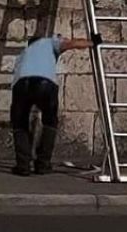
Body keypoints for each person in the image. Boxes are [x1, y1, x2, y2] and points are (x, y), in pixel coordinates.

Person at [10, 33, 97, 176]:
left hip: (21, 83)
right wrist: (92, 43)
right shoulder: (49, 42)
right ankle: (43, 164)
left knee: (20, 124)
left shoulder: (23, 54)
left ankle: (23, 165)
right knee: (50, 122)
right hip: (45, 83)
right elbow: (71, 44)